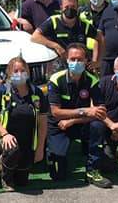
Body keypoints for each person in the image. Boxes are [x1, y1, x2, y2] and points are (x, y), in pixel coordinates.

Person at [45, 43, 111, 188]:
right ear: (66, 60)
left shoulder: (92, 80)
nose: (76, 63)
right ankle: (52, 153)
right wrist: (85, 110)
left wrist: (73, 120)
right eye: (73, 59)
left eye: (80, 59)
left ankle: (92, 170)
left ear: (86, 61)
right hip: (59, 125)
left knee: (98, 125)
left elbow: (100, 112)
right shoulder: (56, 79)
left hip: (79, 124)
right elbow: (56, 112)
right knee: (58, 175)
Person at [0, 56, 48, 191]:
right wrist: (5, 134)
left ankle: (1, 164)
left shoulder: (36, 93)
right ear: (9, 73)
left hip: (28, 139)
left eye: (22, 70)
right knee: (12, 149)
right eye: (15, 71)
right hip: (6, 136)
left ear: (28, 72)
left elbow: (43, 122)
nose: (19, 74)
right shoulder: (3, 90)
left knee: (22, 181)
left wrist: (40, 148)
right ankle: (6, 179)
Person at [31, 0, 100, 63]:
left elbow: (100, 39)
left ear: (78, 7)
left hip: (79, 63)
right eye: (66, 7)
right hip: (59, 63)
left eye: (73, 7)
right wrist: (56, 46)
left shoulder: (84, 25)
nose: (69, 9)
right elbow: (34, 37)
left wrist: (96, 61)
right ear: (61, 7)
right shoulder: (54, 21)